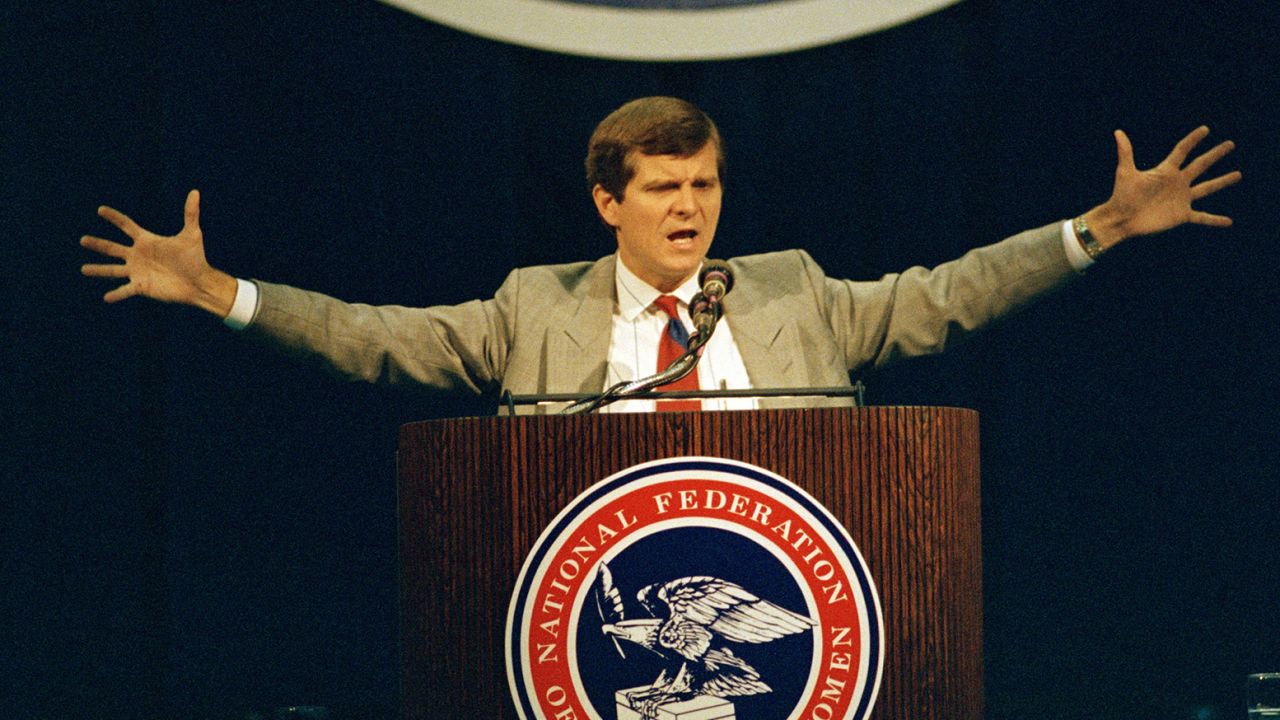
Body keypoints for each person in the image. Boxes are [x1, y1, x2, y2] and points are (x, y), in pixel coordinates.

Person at [81, 97, 1240, 413]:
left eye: (703, 186)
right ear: (607, 204)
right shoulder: (533, 308)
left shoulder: (795, 294)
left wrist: (1093, 230)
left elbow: (954, 295)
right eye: (662, 189)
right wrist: (220, 292)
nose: (688, 209)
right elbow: (375, 341)